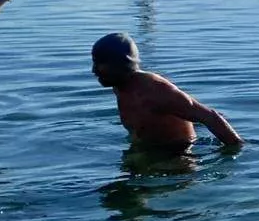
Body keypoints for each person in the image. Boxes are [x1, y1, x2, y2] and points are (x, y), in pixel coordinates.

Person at [91, 32, 243, 150]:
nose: (94, 70)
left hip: (176, 157)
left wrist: (235, 149)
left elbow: (210, 117)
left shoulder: (155, 91)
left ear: (121, 65)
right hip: (143, 153)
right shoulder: (120, 86)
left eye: (100, 65)